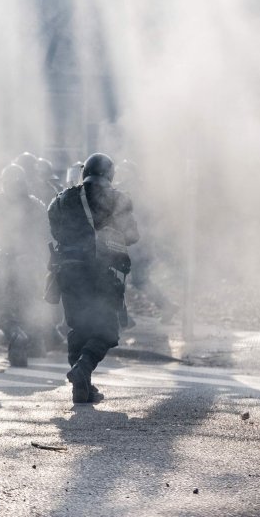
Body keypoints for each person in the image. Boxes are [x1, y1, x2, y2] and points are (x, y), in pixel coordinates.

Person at [48, 153, 139, 403]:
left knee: (78, 329)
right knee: (108, 330)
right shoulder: (118, 199)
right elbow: (132, 235)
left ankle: (82, 389)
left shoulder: (63, 198)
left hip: (68, 272)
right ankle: (83, 370)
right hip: (102, 275)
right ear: (110, 174)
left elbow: (54, 226)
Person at [0, 164, 51, 367]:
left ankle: (17, 335)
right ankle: (34, 344)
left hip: (5, 264)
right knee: (30, 307)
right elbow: (47, 237)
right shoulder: (37, 205)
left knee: (0, 310)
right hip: (31, 265)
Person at [114, 159, 179, 325]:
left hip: (135, 243)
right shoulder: (138, 190)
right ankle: (166, 306)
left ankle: (124, 318)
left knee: (121, 278)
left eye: (124, 172)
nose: (120, 175)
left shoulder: (130, 191)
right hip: (138, 243)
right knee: (138, 280)